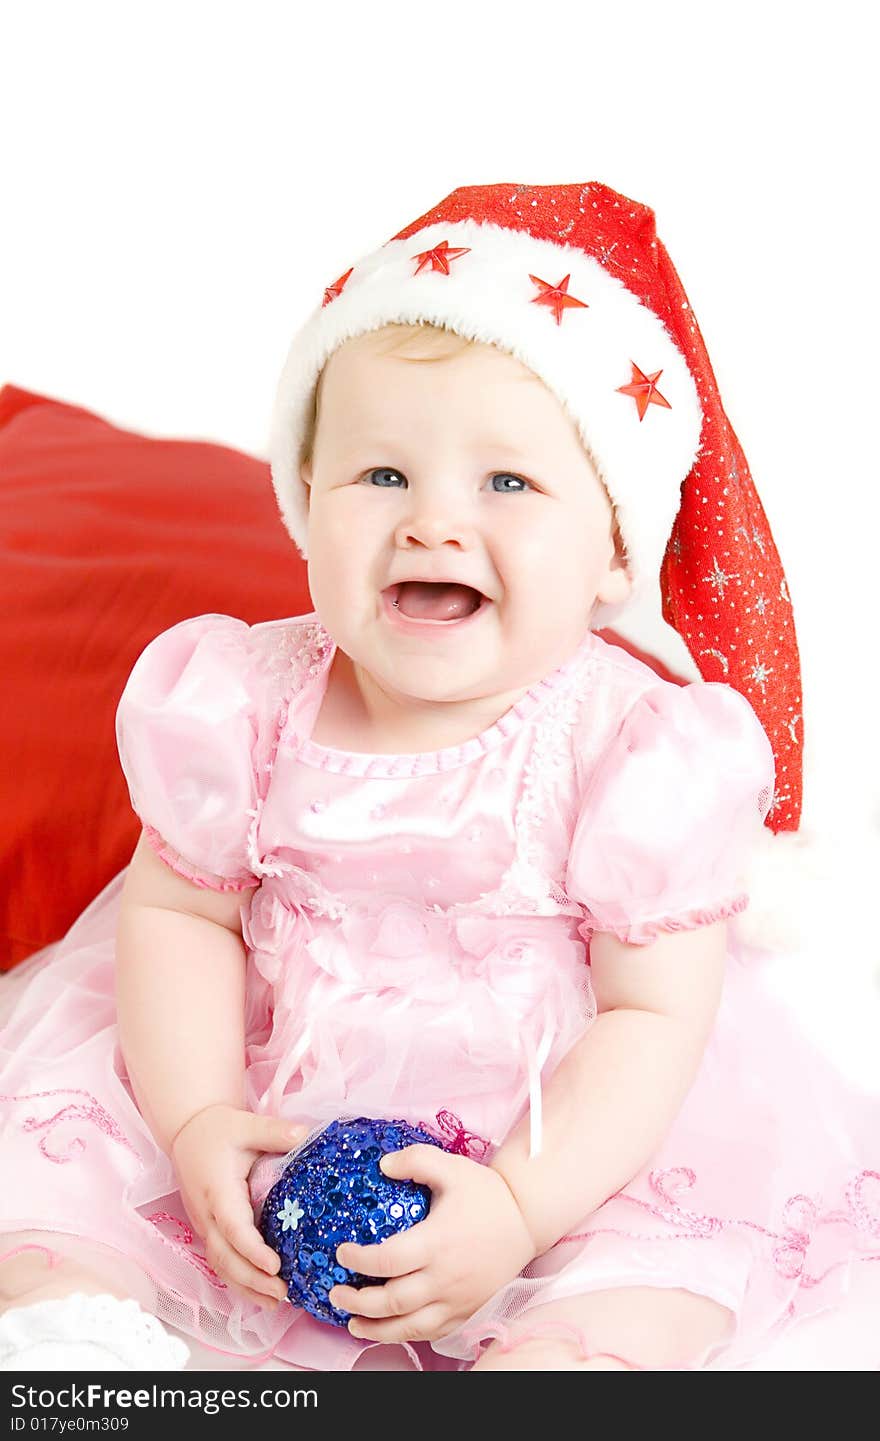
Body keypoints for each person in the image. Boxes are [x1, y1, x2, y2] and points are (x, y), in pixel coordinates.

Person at [1, 181, 877, 1373]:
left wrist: (519, 1205)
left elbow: (651, 1013)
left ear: (616, 547)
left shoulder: (635, 747)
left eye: (506, 484)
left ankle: (559, 1359)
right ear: (305, 504)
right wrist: (199, 1115)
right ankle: (68, 1324)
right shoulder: (242, 698)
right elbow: (180, 914)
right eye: (380, 477)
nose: (432, 525)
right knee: (71, 1166)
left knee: (657, 1257)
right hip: (260, 1065)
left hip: (553, 1112)